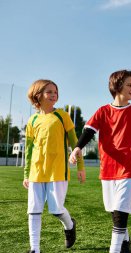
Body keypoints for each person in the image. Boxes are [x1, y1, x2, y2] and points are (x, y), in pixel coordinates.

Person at [69, 69, 131, 253]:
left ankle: (115, 249)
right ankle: (125, 240)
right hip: (108, 169)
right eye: (129, 85)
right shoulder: (103, 111)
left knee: (120, 212)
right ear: (117, 86)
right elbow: (89, 131)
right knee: (113, 210)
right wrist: (78, 147)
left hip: (129, 169)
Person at [23, 79, 86, 253]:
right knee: (33, 210)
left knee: (56, 209)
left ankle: (70, 225)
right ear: (38, 96)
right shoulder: (32, 120)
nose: (53, 95)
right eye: (49, 92)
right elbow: (29, 150)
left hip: (57, 171)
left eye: (55, 92)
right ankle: (34, 249)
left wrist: (80, 167)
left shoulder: (62, 116)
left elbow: (75, 143)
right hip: (36, 172)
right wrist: (26, 174)